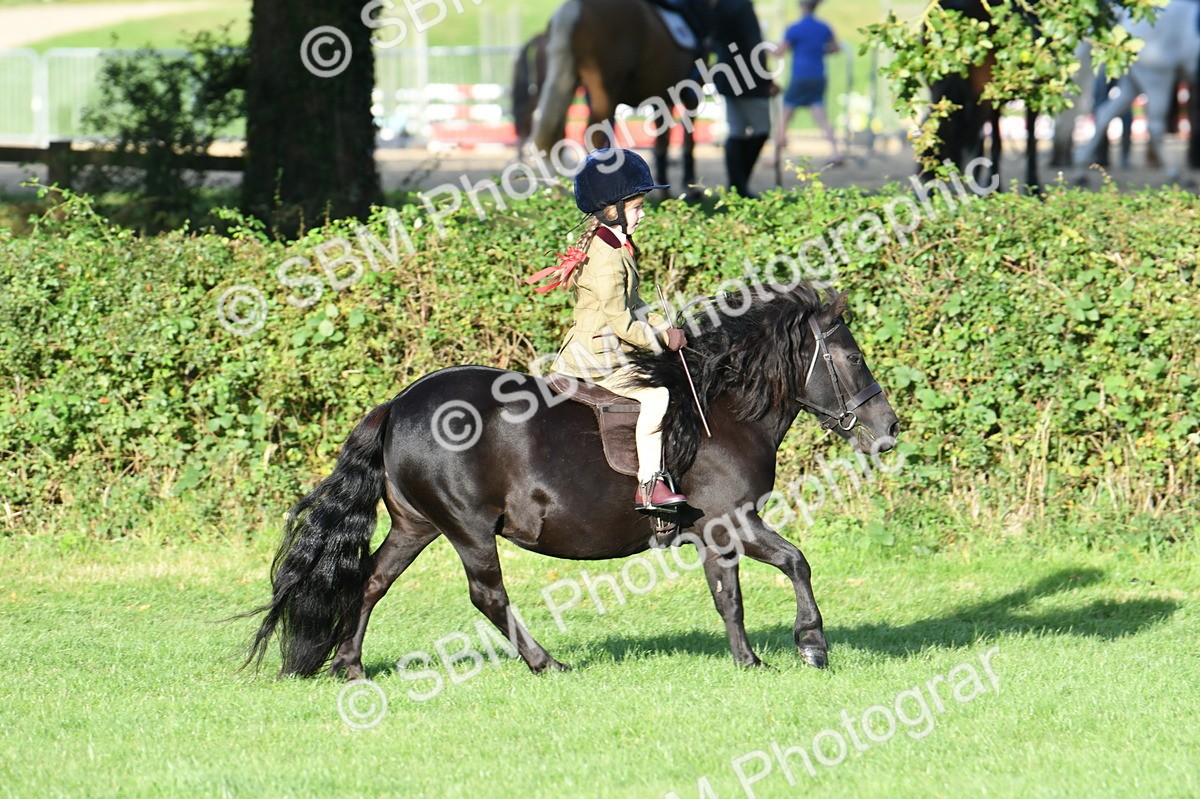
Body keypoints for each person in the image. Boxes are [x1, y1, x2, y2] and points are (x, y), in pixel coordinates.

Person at [526, 148, 690, 511]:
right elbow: (621, 322)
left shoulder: (613, 244)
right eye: (636, 207)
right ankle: (650, 484)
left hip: (609, 347)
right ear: (611, 210)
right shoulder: (608, 259)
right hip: (598, 358)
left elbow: (632, 306)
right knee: (658, 397)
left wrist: (660, 323)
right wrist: (664, 339)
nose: (642, 213)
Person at [712, 0, 774, 197]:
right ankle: (739, 184)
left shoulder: (719, 7)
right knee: (762, 129)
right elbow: (752, 42)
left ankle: (737, 186)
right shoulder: (742, 6)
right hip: (749, 78)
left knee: (736, 131)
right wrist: (766, 77)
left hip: (726, 73)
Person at [774, 0, 843, 165]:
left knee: (784, 115)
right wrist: (819, 50)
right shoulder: (824, 27)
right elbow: (835, 48)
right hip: (818, 76)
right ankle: (835, 152)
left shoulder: (794, 28)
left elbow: (779, 52)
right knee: (821, 118)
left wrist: (764, 47)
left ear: (801, 6)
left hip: (800, 76)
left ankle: (775, 156)